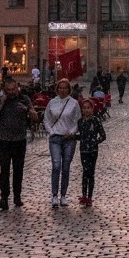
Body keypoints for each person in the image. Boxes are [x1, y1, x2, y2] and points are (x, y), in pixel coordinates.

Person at [0, 78, 38, 211]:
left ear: (17, 88)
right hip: (4, 140)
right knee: (4, 170)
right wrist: (1, 104)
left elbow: (35, 117)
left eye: (13, 89)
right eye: (8, 90)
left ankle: (17, 196)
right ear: (4, 90)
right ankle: (4, 198)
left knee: (18, 169)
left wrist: (27, 109)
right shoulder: (0, 100)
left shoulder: (24, 99)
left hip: (19, 140)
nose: (11, 92)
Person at [43, 78, 81, 206]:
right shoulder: (52, 102)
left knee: (65, 167)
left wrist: (71, 132)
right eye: (61, 88)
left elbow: (78, 120)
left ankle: (63, 195)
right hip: (55, 138)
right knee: (56, 165)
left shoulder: (73, 103)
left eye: (65, 88)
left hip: (69, 139)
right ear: (57, 89)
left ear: (69, 89)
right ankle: (54, 195)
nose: (63, 90)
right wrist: (51, 131)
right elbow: (46, 119)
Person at [76, 99, 106, 205]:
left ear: (92, 109)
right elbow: (81, 136)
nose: (86, 110)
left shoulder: (95, 120)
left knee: (91, 173)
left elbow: (103, 135)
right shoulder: (80, 122)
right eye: (84, 108)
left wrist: (95, 142)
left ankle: (89, 197)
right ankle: (84, 195)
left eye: (88, 108)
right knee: (85, 171)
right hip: (83, 150)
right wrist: (72, 137)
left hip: (93, 150)